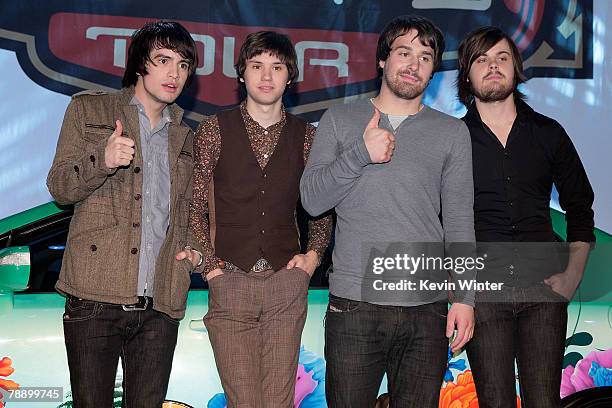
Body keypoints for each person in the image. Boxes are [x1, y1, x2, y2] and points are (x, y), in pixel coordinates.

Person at [300, 15, 476, 408]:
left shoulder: (451, 132)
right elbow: (312, 200)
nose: (413, 64)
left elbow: (461, 221)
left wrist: (464, 298)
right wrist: (361, 154)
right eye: (404, 52)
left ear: (433, 71)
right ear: (383, 60)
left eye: (425, 57)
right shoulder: (340, 120)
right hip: (354, 306)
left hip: (426, 311)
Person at [47, 21, 203, 407]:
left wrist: (196, 248)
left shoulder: (187, 136)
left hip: (161, 301)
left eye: (183, 65)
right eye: (163, 60)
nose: (174, 73)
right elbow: (60, 188)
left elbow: (189, 209)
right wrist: (103, 158)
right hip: (95, 295)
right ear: (139, 64)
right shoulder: (90, 110)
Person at [190, 31, 332, 407]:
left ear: (290, 76)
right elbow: (194, 206)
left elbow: (323, 204)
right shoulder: (213, 130)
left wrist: (312, 258)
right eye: (257, 66)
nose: (266, 76)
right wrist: (211, 269)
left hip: (286, 280)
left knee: (278, 400)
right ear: (242, 74)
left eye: (277, 67)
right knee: (242, 400)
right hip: (230, 278)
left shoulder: (308, 137)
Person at [457, 26, 595, 407]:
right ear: (467, 74)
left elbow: (580, 207)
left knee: (543, 401)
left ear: (516, 69)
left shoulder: (548, 133)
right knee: (495, 401)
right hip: (481, 292)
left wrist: (572, 275)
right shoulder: (452, 139)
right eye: (481, 60)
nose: (493, 67)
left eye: (502, 58)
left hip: (543, 291)